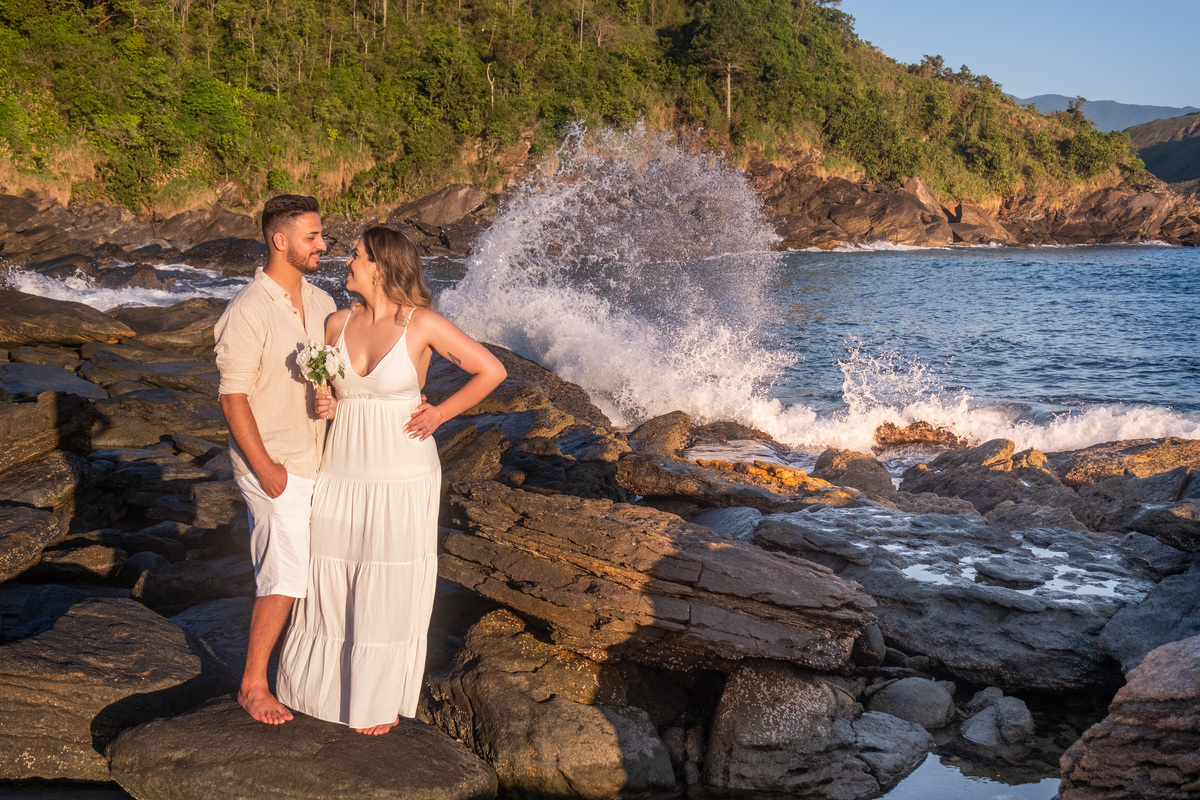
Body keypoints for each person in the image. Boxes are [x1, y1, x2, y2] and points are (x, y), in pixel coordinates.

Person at [276, 223, 506, 735]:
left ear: (379, 268)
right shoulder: (336, 323)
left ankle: (376, 699)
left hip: (403, 473)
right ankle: (315, 690)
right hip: (341, 469)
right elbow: (328, 391)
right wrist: (327, 401)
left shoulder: (421, 324)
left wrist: (441, 413)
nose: (347, 261)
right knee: (328, 576)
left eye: (356, 255)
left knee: (387, 580)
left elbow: (491, 371)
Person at [214, 194, 337, 725]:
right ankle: (252, 685)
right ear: (279, 240)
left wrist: (330, 399)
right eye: (313, 237)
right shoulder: (247, 309)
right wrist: (266, 470)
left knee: (314, 572)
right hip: (274, 463)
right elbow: (232, 397)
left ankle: (299, 674)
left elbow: (331, 376)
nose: (323, 245)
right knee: (284, 575)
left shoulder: (323, 302)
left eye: (321, 235)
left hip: (320, 460)